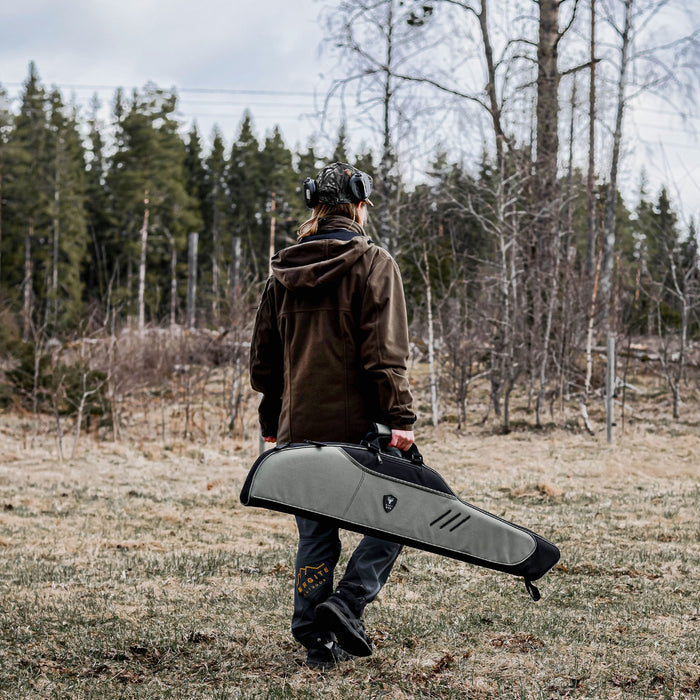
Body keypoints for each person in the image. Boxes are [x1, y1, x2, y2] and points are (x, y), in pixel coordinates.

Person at [249, 161, 416, 670]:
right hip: (361, 434)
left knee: (316, 533)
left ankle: (313, 636)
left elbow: (264, 364)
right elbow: (384, 355)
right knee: (403, 511)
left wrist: (273, 424)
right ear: (359, 205)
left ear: (314, 208)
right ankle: (345, 604)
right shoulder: (373, 264)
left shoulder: (282, 272)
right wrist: (400, 419)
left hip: (299, 433)